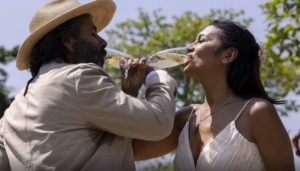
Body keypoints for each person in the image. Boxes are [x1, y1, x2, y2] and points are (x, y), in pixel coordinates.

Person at [0, 0, 177, 170]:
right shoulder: (79, 78)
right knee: (189, 117)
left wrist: (128, 93)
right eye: (93, 33)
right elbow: (159, 123)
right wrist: (158, 79)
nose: (103, 41)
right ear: (69, 42)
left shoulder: (12, 113)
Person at [133, 20, 295, 171]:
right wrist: (132, 90)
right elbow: (131, 151)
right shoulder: (187, 118)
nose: (189, 46)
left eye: (201, 40)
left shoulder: (256, 112)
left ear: (228, 55)